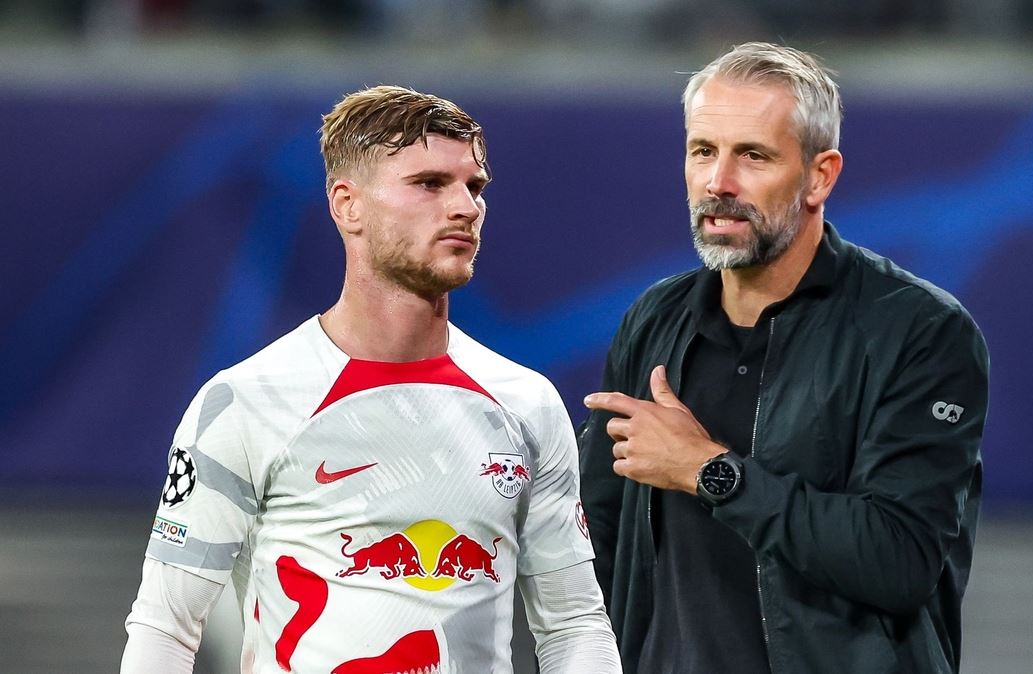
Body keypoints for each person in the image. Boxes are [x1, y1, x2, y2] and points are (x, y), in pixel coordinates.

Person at [121, 84, 621, 674]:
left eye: (474, 186)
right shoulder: (243, 402)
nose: (465, 206)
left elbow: (574, 625)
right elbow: (165, 629)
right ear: (347, 205)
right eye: (430, 184)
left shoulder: (527, 403)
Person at [579, 42, 988, 673]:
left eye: (753, 156)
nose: (719, 182)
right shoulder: (653, 321)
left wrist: (711, 472)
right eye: (702, 151)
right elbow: (595, 543)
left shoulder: (919, 331)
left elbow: (899, 559)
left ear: (819, 176)